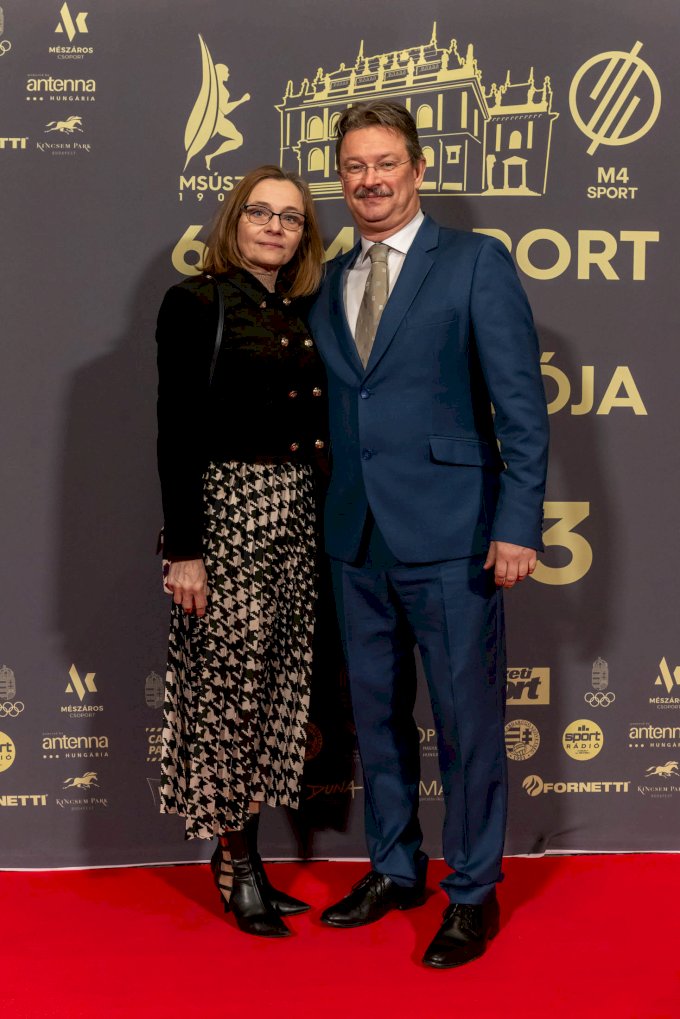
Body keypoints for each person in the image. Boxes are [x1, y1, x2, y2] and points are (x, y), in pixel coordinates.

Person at [308, 101, 549, 968]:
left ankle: (473, 891)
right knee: (376, 720)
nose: (369, 180)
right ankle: (395, 868)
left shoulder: (475, 262)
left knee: (466, 723)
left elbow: (522, 410)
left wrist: (517, 523)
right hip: (356, 536)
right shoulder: (331, 278)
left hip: (454, 534)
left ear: (417, 169)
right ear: (341, 179)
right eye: (354, 166)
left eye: (385, 163)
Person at [156, 165, 327, 939]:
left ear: (302, 236)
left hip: (295, 513)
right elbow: (175, 432)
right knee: (227, 693)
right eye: (260, 212)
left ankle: (244, 853)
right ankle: (236, 861)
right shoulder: (196, 302)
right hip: (226, 513)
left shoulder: (298, 309)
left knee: (275, 687)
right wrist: (186, 550)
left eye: (290, 218)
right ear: (235, 220)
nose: (274, 227)